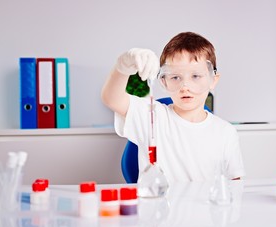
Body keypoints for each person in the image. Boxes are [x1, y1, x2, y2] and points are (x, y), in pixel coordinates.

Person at [101, 32, 245, 183]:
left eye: (195, 76)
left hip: (206, 206)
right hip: (159, 205)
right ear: (163, 81)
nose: (185, 87)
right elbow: (111, 98)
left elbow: (234, 186)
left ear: (212, 80)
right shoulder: (152, 117)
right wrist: (123, 67)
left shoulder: (225, 132)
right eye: (175, 77)